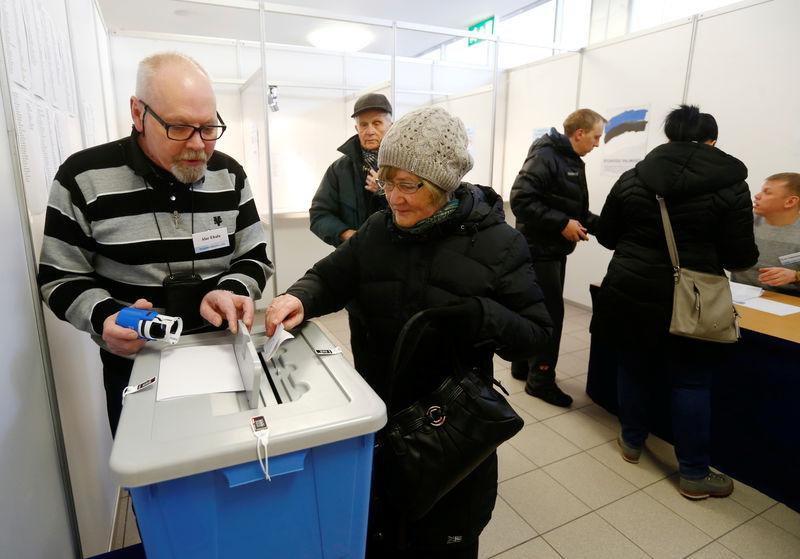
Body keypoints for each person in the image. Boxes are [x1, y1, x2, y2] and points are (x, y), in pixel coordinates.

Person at [265, 106, 553, 558]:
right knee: (379, 528)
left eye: (407, 185)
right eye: (385, 181)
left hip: (449, 429)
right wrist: (299, 297)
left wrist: (481, 315)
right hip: (378, 416)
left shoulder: (500, 244)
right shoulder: (378, 230)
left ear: (442, 185)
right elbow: (331, 276)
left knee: (441, 535)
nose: (393, 197)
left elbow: (537, 334)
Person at [38, 52, 273, 435]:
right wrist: (106, 316)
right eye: (179, 128)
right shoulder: (83, 177)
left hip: (221, 355)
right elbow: (59, 277)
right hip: (135, 364)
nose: (199, 145)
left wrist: (231, 290)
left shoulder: (229, 173)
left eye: (209, 127)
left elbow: (254, 256)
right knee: (153, 477)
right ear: (138, 113)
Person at [591, 105, 758, 500]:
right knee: (691, 382)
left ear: (668, 138)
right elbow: (740, 258)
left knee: (633, 369)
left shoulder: (634, 177)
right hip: (693, 300)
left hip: (629, 292)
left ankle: (631, 442)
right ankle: (694, 474)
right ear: (712, 141)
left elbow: (608, 235)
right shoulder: (732, 184)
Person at [509, 108, 607, 407]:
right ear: (579, 134)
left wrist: (610, 227)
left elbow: (573, 210)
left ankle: (523, 366)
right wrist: (562, 223)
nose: (597, 144)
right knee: (550, 316)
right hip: (540, 251)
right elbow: (521, 200)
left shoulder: (567, 158)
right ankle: (541, 379)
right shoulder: (548, 155)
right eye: (595, 137)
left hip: (549, 250)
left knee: (534, 312)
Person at [308, 92, 392, 373]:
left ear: (390, 125)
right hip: (359, 281)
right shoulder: (339, 170)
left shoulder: (408, 166)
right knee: (366, 360)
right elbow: (319, 215)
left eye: (377, 123)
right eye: (364, 124)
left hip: (403, 278)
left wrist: (385, 192)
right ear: (355, 128)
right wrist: (347, 235)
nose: (370, 130)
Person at [730, 172, 800, 294]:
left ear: (790, 202)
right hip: (739, 297)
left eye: (767, 192)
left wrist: (796, 276)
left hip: (786, 304)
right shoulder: (742, 222)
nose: (757, 196)